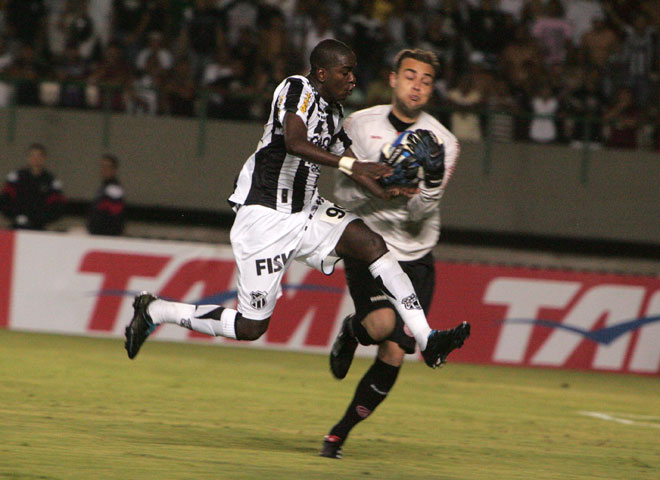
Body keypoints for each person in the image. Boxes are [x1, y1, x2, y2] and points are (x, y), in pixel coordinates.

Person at [123, 39, 470, 385]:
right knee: (250, 327)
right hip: (265, 218)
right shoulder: (296, 88)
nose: (353, 80)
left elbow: (355, 169)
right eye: (345, 72)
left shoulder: (334, 112)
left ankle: (429, 339)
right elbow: (295, 142)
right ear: (322, 72)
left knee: (373, 245)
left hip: (307, 210)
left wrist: (388, 189)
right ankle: (155, 310)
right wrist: (354, 163)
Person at [318, 48, 463, 460]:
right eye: (410, 76)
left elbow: (421, 212)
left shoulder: (445, 142)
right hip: (369, 243)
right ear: (394, 79)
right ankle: (356, 329)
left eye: (426, 80)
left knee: (397, 351)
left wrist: (426, 186)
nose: (417, 85)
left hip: (417, 252)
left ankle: (338, 435)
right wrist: (380, 177)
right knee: (381, 326)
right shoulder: (358, 125)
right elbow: (341, 192)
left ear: (432, 89)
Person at [0, 143, 65, 230]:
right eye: (32, 156)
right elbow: (5, 200)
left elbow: (57, 206)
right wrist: (15, 217)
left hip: (39, 228)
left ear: (44, 158)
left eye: (39, 156)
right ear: (28, 158)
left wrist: (41, 219)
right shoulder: (16, 177)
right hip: (17, 225)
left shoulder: (51, 181)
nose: (35, 159)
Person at [87, 153, 125, 236]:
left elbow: (115, 217)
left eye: (107, 167)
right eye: (103, 166)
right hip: (98, 234)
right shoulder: (104, 187)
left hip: (106, 235)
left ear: (114, 169)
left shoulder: (114, 189)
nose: (104, 170)